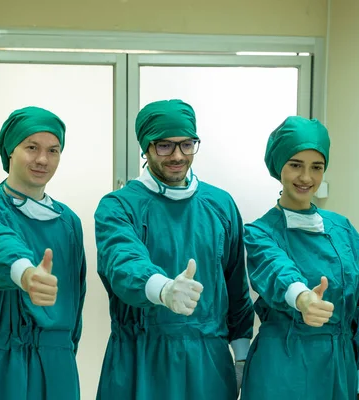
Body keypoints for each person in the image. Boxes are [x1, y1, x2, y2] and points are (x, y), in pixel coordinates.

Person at [94, 99, 254, 400]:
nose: (178, 155)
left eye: (187, 144)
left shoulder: (220, 205)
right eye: (165, 146)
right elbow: (122, 261)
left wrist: (242, 355)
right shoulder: (119, 206)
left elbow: (236, 289)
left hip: (208, 363)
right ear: (146, 147)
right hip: (140, 359)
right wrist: (163, 289)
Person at [0, 106, 87, 400]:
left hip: (56, 365)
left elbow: (76, 300)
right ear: (11, 151)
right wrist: (25, 272)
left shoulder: (69, 222)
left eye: (53, 150)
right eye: (31, 147)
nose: (43, 159)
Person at [240, 116, 359, 400]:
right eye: (295, 165)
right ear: (279, 167)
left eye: (316, 167)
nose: (306, 178)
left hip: (339, 365)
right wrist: (303, 297)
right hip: (281, 365)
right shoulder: (260, 233)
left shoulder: (342, 229)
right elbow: (276, 270)